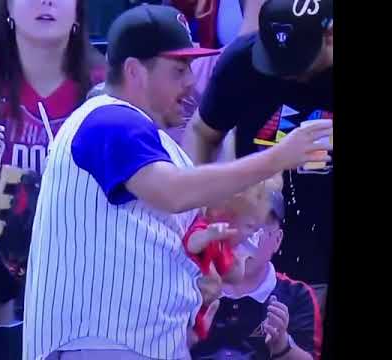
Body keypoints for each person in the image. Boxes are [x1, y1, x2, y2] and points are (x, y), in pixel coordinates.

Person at [23, 4, 332, 360]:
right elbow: (173, 192)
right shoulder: (107, 117)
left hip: (144, 344)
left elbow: (178, 221)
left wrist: (204, 271)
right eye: (178, 69)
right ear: (135, 71)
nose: (191, 81)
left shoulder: (159, 143)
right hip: (99, 344)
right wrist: (279, 157)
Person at [0, 0, 106, 341]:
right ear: (8, 9)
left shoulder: (104, 87)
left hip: (84, 242)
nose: (47, 1)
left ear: (78, 13)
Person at [183, 0, 334, 285]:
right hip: (258, 251)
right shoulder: (242, 62)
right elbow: (203, 132)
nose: (283, 70)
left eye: (295, 61)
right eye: (275, 59)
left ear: (329, 37)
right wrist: (199, 208)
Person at [190, 184, 323, 360]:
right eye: (239, 225)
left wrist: (282, 345)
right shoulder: (192, 283)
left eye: (258, 230)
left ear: (277, 240)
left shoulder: (298, 295)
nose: (245, 240)